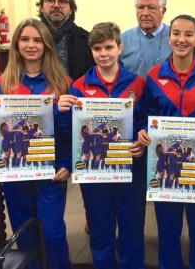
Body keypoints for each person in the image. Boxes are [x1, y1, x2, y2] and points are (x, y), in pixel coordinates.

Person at [0, 18, 72, 269]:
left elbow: (71, 132)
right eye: (25, 39)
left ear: (46, 45)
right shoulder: (3, 83)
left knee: (53, 232)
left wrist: (67, 163)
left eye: (37, 40)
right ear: (17, 44)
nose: (31, 45)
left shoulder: (62, 83)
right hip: (16, 172)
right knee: (24, 234)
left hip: (51, 172)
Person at [56, 22, 146, 269]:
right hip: (94, 173)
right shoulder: (79, 86)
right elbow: (70, 131)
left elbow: (144, 120)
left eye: (108, 47)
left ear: (119, 47)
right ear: (91, 51)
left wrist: (142, 138)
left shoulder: (137, 83)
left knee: (131, 230)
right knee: (100, 230)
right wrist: (61, 112)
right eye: (97, 48)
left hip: (130, 169)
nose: (103, 53)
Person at [138, 15, 195, 269]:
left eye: (188, 34)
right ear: (169, 37)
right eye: (176, 33)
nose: (181, 39)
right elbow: (145, 115)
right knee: (168, 232)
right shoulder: (154, 76)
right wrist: (143, 131)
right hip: (165, 168)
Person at [36, 0, 95, 80]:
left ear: (71, 9)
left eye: (62, 1)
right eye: (50, 0)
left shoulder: (87, 41)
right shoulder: (30, 39)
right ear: (41, 7)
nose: (56, 5)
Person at [120, 0, 172, 79]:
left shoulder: (174, 37)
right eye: (140, 7)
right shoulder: (123, 39)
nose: (145, 13)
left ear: (163, 11)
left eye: (151, 8)